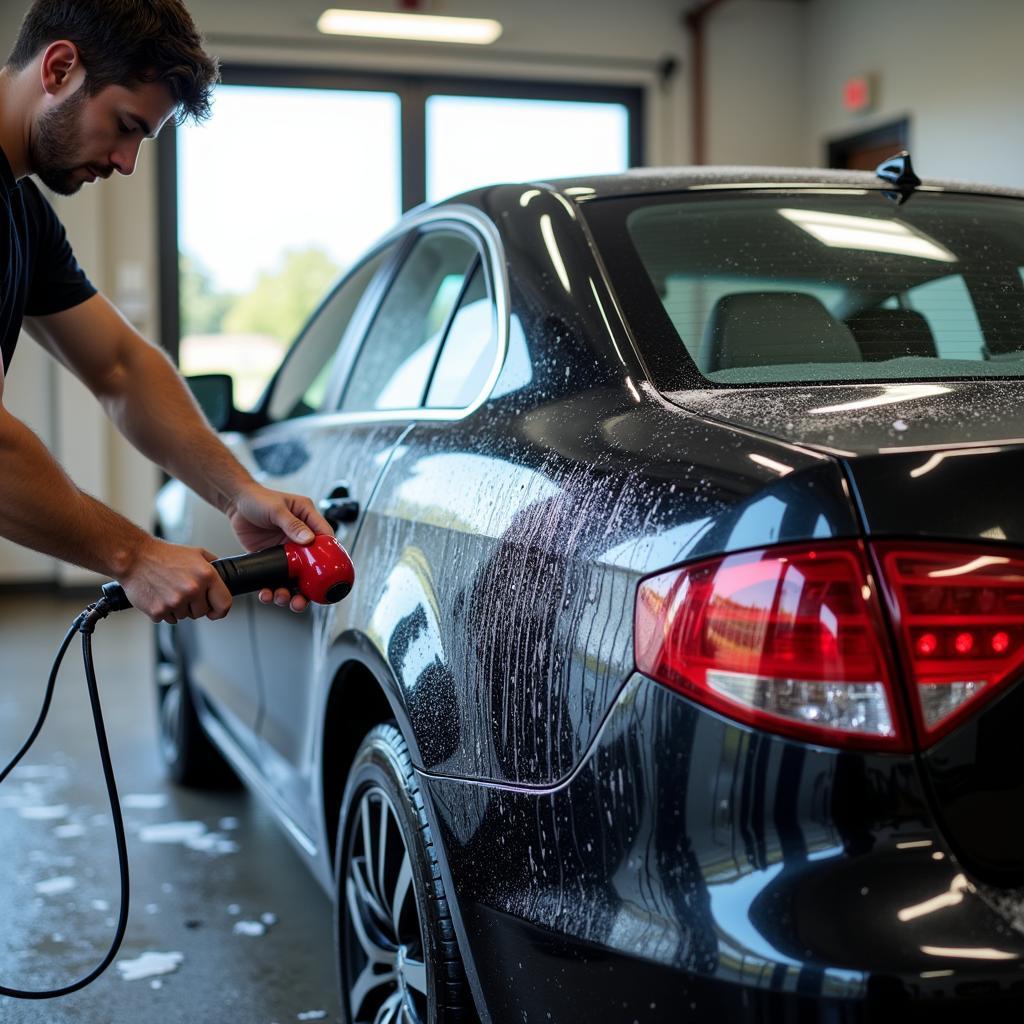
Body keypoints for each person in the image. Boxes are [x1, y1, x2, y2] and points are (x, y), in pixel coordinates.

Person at [0, 0, 335, 624]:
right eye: (125, 125)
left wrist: (241, 493)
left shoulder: (23, 212)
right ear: (59, 69)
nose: (127, 162)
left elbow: (121, 368)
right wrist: (135, 556)